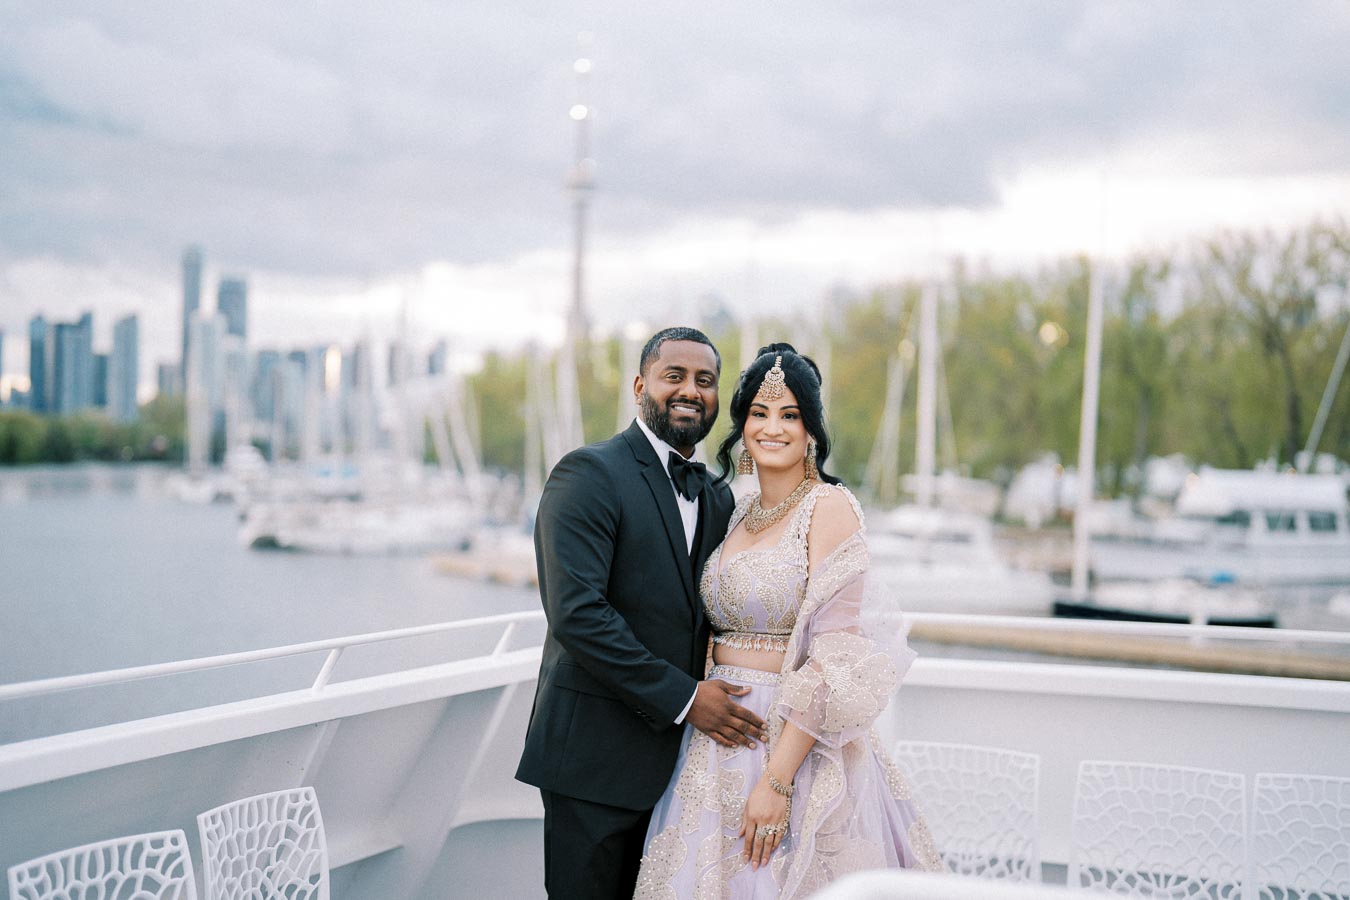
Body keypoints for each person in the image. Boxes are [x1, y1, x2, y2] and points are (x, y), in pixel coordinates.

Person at [634, 343, 944, 899]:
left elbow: (838, 660)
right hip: (715, 736)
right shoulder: (737, 513)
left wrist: (777, 781)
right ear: (742, 427)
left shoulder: (829, 508)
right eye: (758, 412)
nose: (772, 427)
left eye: (790, 414)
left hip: (789, 742)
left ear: (812, 432)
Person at [517, 326, 771, 900]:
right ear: (640, 386)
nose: (690, 391)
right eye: (673, 376)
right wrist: (686, 698)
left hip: (684, 772)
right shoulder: (587, 474)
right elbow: (577, 614)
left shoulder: (717, 496)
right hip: (592, 763)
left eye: (704, 381)